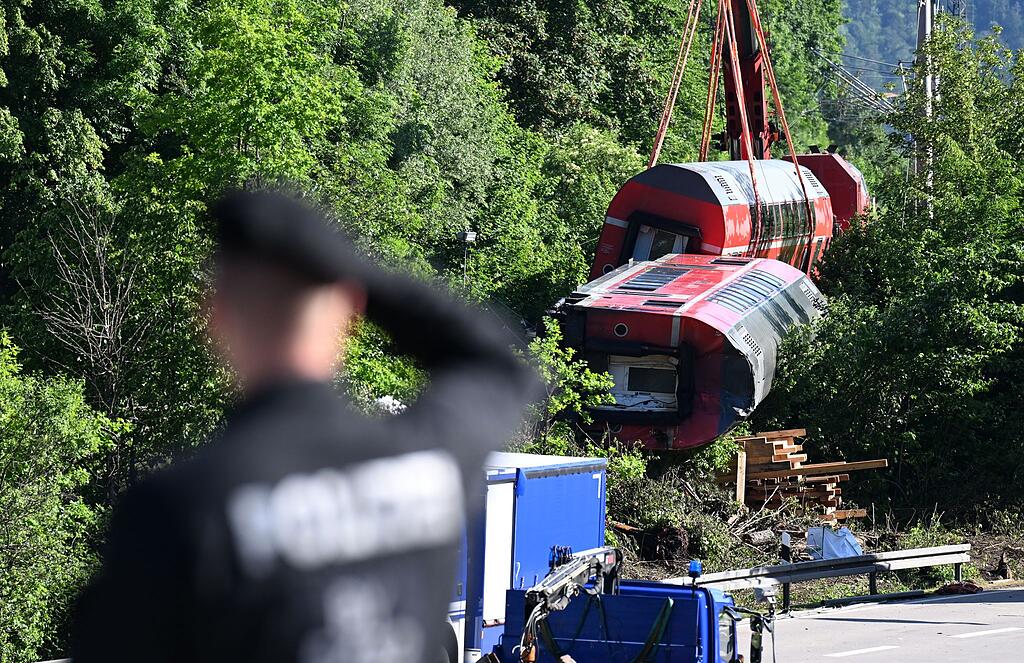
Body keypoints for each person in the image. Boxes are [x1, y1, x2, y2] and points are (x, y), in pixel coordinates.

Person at [71, 190, 539, 663]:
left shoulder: (181, 509)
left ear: (217, 317)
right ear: (348, 311)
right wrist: (358, 276)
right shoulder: (431, 460)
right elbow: (498, 365)